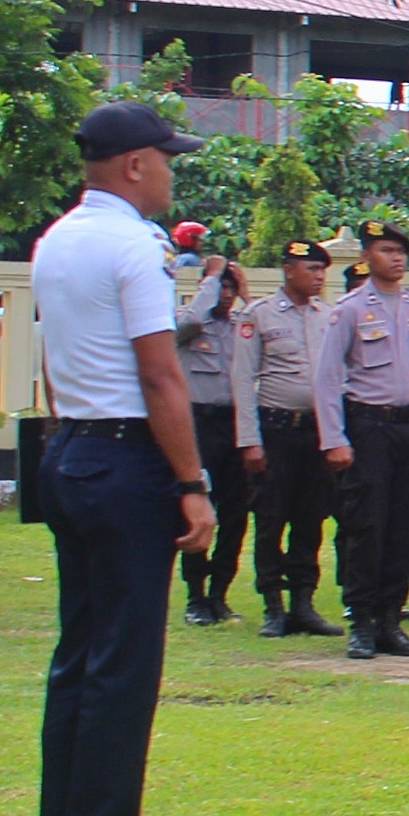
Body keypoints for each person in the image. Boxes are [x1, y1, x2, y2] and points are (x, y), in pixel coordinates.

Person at [28, 102, 220, 816]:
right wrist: (192, 482)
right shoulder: (136, 249)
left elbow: (54, 357)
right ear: (136, 164)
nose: (172, 171)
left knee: (80, 649)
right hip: (127, 455)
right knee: (126, 654)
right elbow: (160, 372)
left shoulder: (57, 239)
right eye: (167, 158)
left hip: (72, 444)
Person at [313, 220, 409, 660]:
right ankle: (360, 619)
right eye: (386, 250)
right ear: (366, 257)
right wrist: (333, 438)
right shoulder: (350, 309)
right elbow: (327, 377)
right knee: (366, 524)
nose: (396, 258)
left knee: (405, 524)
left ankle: (390, 620)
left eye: (401, 252)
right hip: (369, 427)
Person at [235, 241, 335, 638]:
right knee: (272, 517)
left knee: (311, 519)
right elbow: (242, 380)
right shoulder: (258, 315)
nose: (319, 276)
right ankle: (273, 605)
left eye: (322, 270)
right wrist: (249, 440)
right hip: (275, 429)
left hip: (316, 431)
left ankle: (304, 602)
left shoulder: (328, 316)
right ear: (288, 269)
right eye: (311, 268)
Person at [171, 253, 249, 625]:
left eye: (232, 288)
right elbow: (183, 324)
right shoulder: (190, 323)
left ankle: (220, 594)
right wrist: (211, 279)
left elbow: (270, 328)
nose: (227, 295)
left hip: (237, 425)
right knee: (199, 509)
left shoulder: (241, 326)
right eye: (221, 287)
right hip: (199, 425)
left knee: (235, 514)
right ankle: (196, 597)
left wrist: (247, 295)